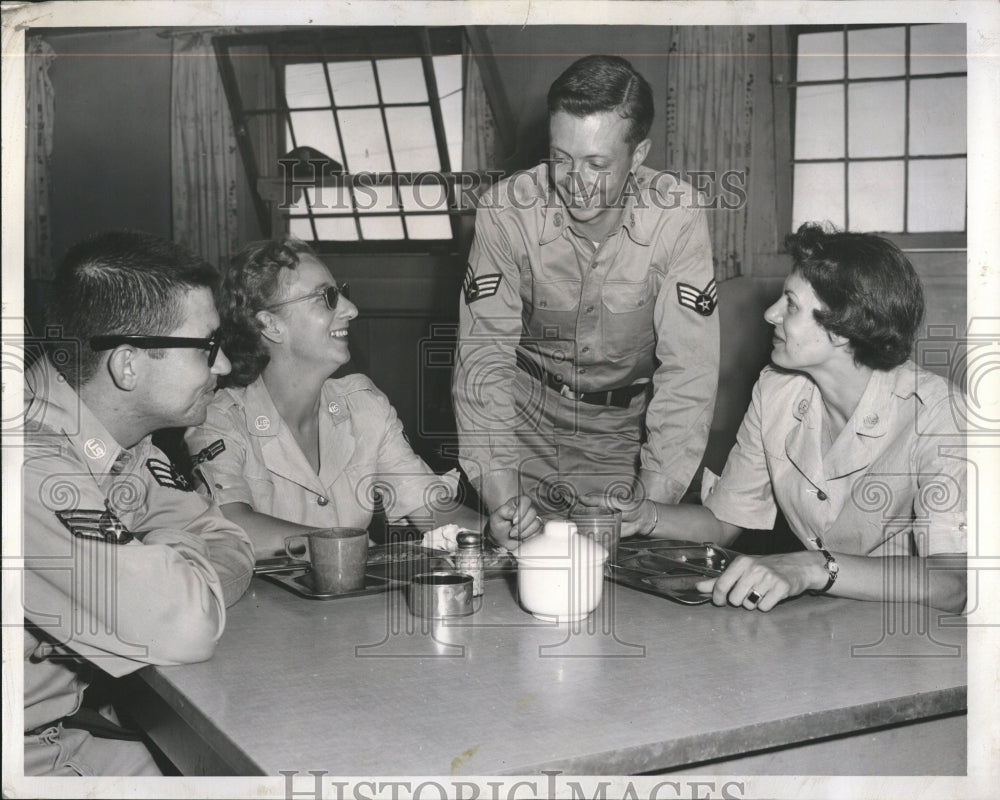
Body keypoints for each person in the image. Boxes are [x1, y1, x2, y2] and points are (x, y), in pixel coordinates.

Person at [563, 223, 965, 613]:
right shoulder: (777, 391)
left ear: (842, 328)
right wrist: (645, 516)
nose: (771, 314)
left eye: (790, 304)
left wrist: (812, 567)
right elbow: (723, 524)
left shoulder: (942, 415)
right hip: (827, 624)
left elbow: (954, 585)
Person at [452, 54, 719, 536]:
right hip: (523, 421)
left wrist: (649, 512)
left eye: (597, 164)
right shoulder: (506, 211)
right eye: (561, 158)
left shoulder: (677, 217)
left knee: (619, 584)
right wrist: (502, 497)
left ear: (638, 156)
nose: (574, 182)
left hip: (619, 434)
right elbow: (482, 360)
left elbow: (689, 373)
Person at [22, 231, 255, 775]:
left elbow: (226, 537)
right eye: (206, 347)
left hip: (61, 732)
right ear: (128, 365)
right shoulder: (30, 468)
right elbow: (184, 626)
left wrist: (168, 567)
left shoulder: (118, 443)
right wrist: (174, 563)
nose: (221, 367)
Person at [185, 237, 484, 559]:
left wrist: (495, 531)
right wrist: (341, 543)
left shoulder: (363, 406)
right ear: (271, 325)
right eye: (326, 297)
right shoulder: (220, 419)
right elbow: (231, 523)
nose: (350, 309)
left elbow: (430, 506)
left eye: (341, 293)